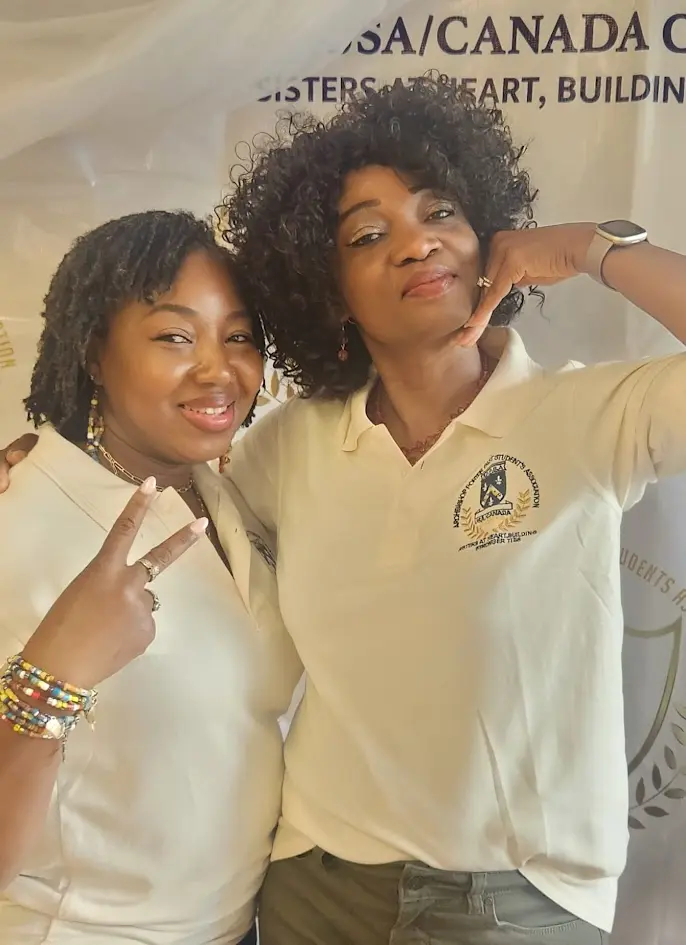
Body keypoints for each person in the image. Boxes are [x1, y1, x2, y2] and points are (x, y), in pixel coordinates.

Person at [4, 77, 686, 945]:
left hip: (513, 901)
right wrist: (40, 462)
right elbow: (139, 471)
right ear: (329, 291)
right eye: (369, 234)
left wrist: (597, 248)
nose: (416, 243)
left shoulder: (587, 415)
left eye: (440, 212)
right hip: (309, 892)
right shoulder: (287, 446)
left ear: (487, 239)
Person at [0, 210, 300, 945]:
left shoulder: (226, 495)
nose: (217, 369)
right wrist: (50, 678)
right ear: (94, 354)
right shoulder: (19, 516)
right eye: (174, 336)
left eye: (238, 337)